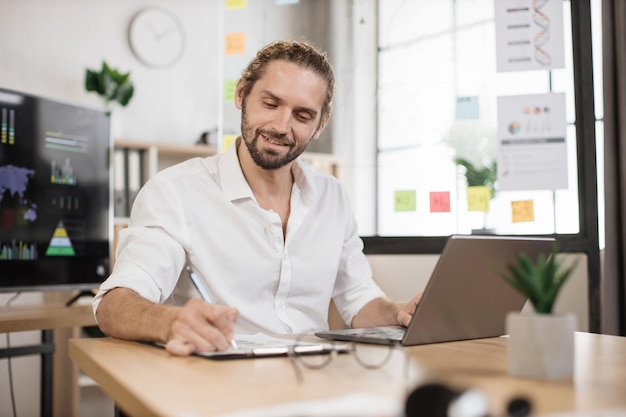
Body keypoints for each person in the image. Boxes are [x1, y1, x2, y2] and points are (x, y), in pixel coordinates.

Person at [94, 40, 422, 356]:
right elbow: (115, 305)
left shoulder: (332, 195)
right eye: (270, 103)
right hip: (220, 381)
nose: (281, 126)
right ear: (241, 95)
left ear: (320, 125)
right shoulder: (175, 191)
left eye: (303, 115)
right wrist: (171, 322)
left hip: (314, 376)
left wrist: (402, 314)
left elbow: (359, 300)